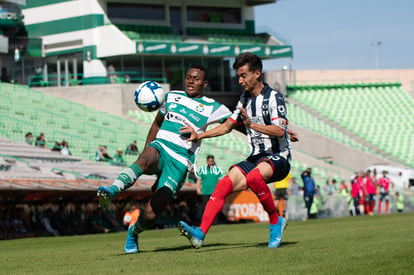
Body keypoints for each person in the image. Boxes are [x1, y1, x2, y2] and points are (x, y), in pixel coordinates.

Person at [96, 64, 233, 253]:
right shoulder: (170, 97)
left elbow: (233, 123)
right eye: (188, 77)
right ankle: (111, 191)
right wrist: (146, 151)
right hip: (161, 146)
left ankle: (133, 233)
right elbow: (156, 125)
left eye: (196, 78)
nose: (191, 81)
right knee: (143, 160)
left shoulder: (212, 107)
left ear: (205, 83)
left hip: (180, 161)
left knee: (152, 214)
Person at [178, 52, 297, 249]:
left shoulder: (274, 97)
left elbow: (278, 130)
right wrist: (200, 135)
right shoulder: (244, 99)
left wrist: (252, 124)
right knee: (223, 184)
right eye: (238, 76)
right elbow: (227, 126)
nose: (240, 81)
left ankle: (276, 221)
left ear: (257, 73)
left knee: (253, 178)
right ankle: (200, 234)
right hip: (256, 157)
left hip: (278, 158)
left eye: (243, 75)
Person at [196, 155, 223, 222]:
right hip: (205, 192)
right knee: (204, 208)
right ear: (207, 161)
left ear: (214, 161)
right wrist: (198, 189)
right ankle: (203, 221)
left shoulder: (217, 170)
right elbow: (199, 180)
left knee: (215, 208)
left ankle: (215, 221)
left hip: (215, 193)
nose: (211, 162)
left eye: (212, 161)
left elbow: (220, 181)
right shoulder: (202, 170)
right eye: (209, 161)